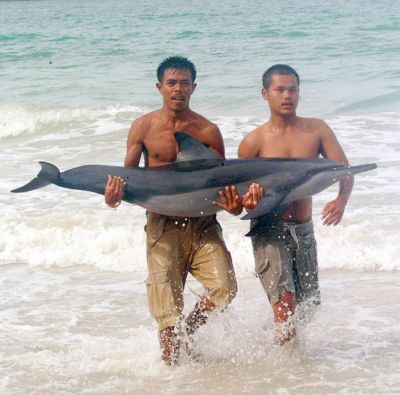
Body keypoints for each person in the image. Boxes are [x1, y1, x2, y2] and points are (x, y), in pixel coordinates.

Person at [104, 56, 237, 365]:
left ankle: (188, 332)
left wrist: (234, 207)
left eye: (185, 83)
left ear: (194, 87)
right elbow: (128, 180)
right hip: (162, 226)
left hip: (204, 226)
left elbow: (223, 186)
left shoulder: (208, 131)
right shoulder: (144, 126)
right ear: (159, 87)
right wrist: (112, 199)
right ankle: (171, 377)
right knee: (166, 310)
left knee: (224, 288)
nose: (178, 89)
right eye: (172, 83)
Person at [215, 64, 354, 345]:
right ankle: (285, 373)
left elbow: (345, 170)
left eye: (293, 89)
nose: (287, 95)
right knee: (285, 302)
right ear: (265, 93)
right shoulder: (253, 143)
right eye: (280, 89)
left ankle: (277, 350)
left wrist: (341, 199)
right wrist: (240, 205)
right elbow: (242, 201)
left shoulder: (317, 130)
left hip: (303, 229)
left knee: (307, 306)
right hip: (268, 228)